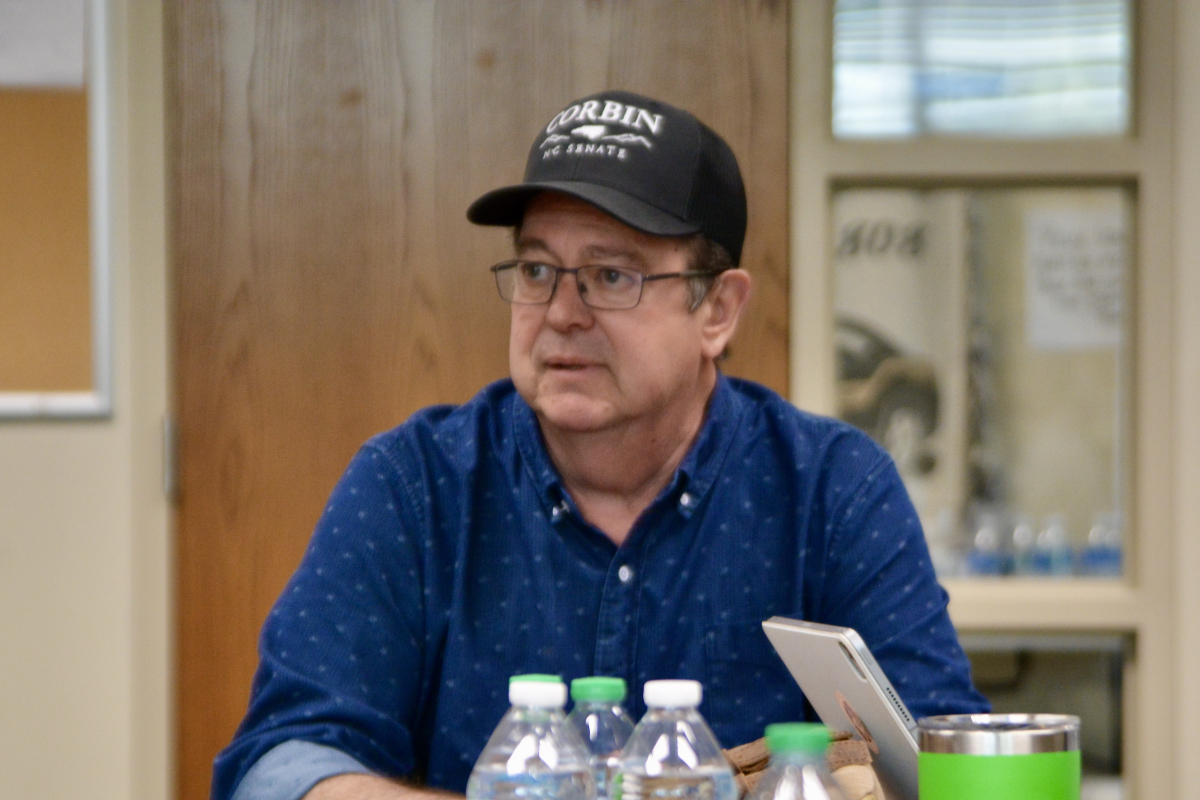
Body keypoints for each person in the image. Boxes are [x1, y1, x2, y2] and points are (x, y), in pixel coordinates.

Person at [212, 90, 988, 800]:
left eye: (611, 276)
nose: (560, 312)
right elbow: (282, 763)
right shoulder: (414, 486)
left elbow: (941, 758)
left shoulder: (830, 489)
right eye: (538, 267)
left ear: (717, 309)